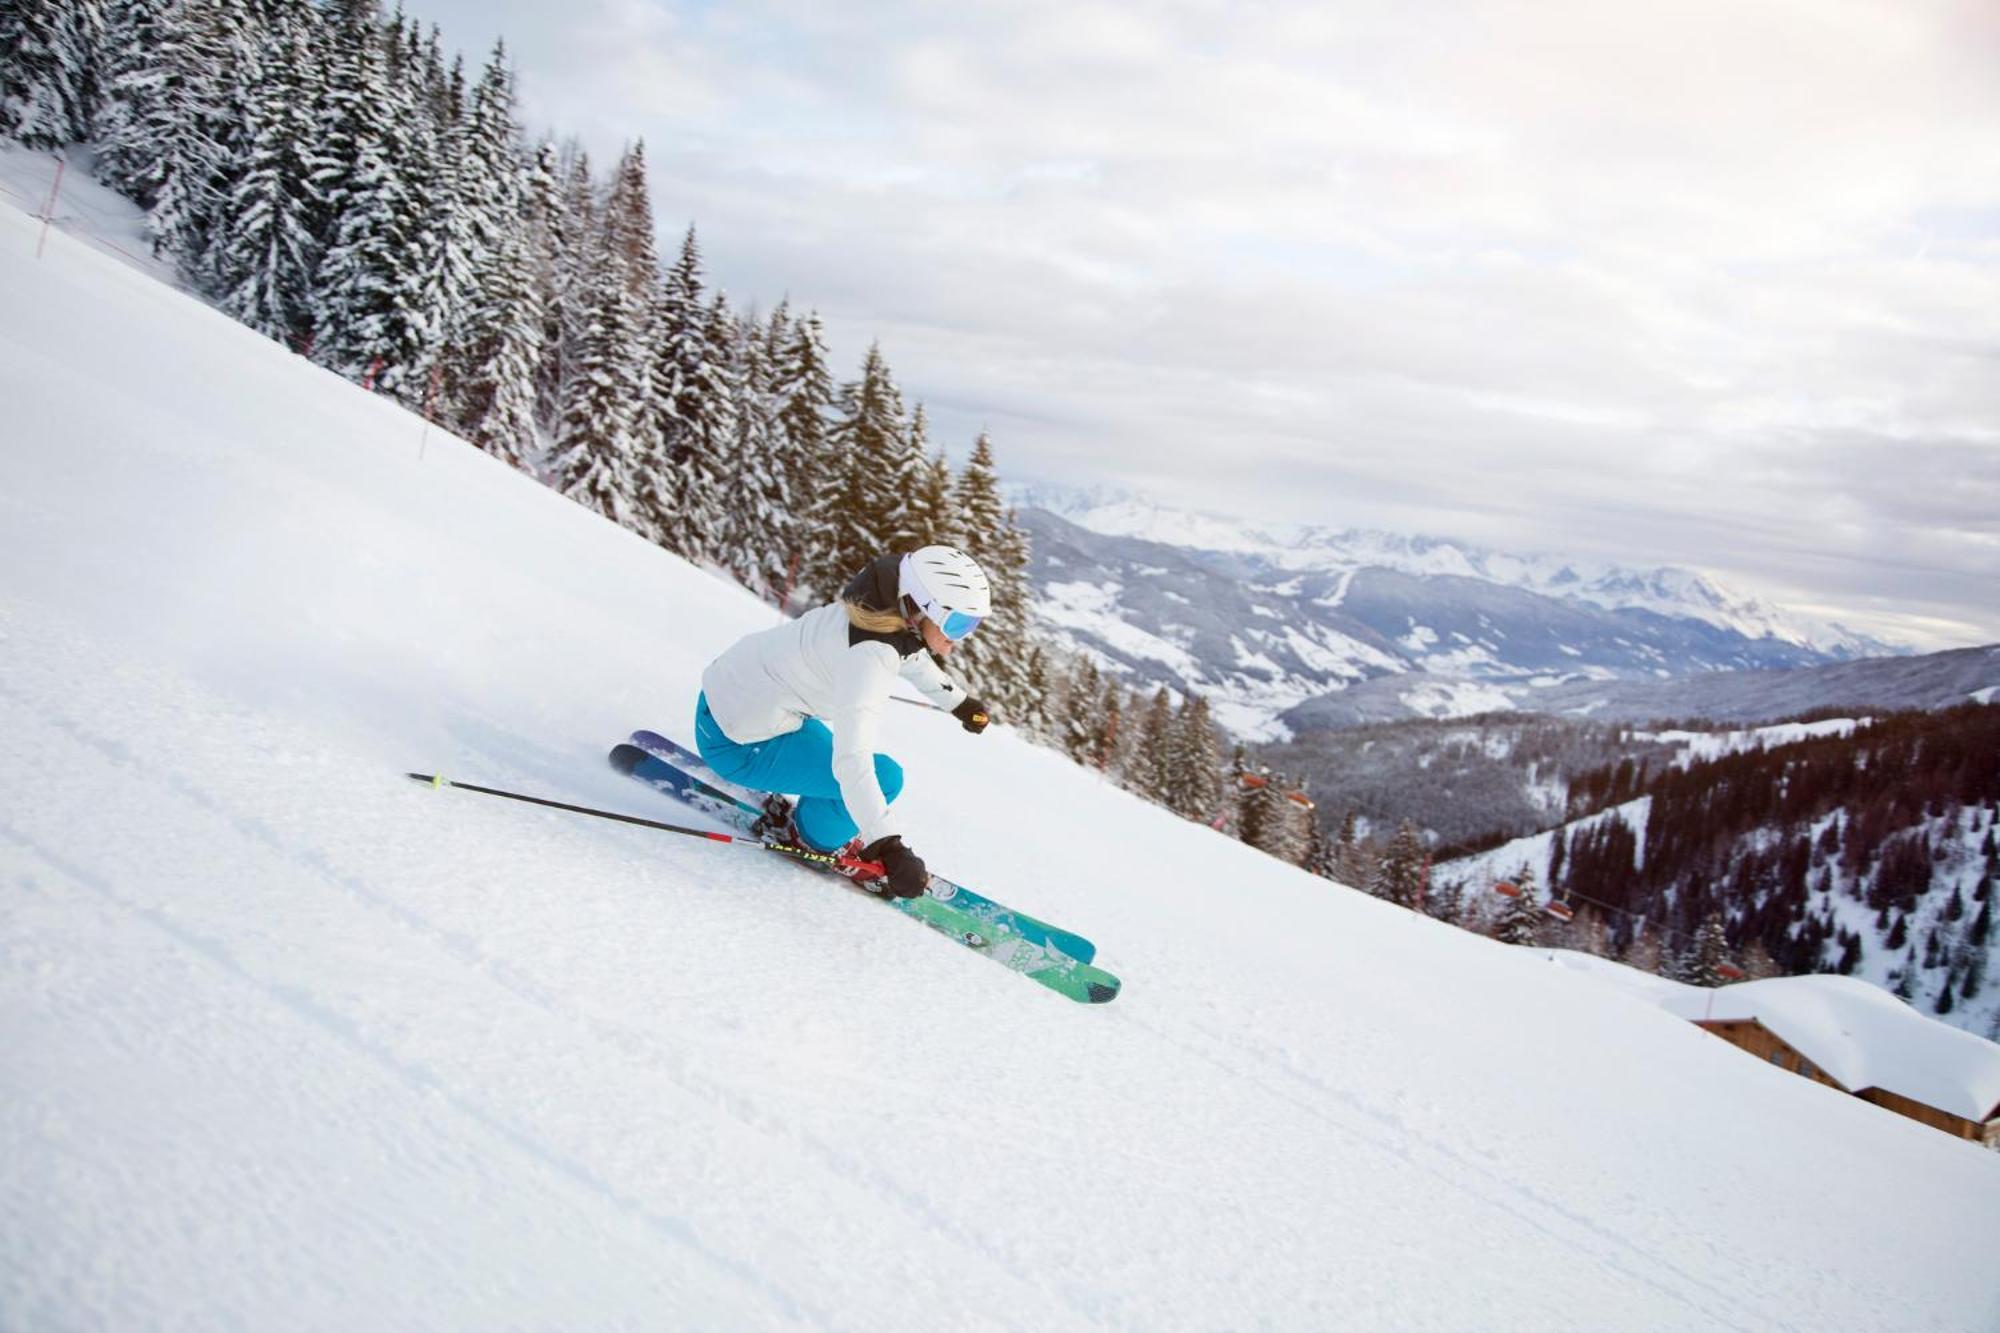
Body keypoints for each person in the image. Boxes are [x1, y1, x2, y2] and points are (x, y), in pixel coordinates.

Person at [694, 546, 994, 898]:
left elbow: (908, 654)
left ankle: (816, 813)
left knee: (856, 778)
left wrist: (957, 702)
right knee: (885, 777)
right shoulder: (870, 658)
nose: (959, 639)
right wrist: (887, 844)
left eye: (972, 624)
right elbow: (852, 761)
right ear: (922, 608)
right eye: (957, 623)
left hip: (730, 704)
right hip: (737, 744)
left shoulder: (878, 605)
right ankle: (811, 839)